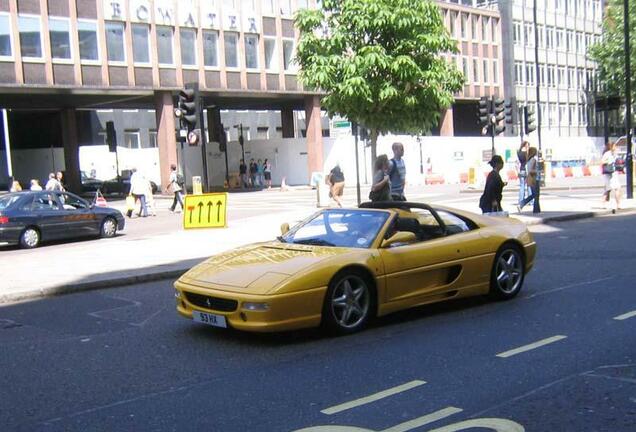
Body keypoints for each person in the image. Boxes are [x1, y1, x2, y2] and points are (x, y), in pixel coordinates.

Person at [601, 141, 622, 213]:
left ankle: (618, 204)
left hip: (614, 173)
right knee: (607, 189)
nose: (615, 147)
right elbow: (602, 162)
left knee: (617, 188)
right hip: (608, 174)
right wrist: (608, 161)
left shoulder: (615, 154)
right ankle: (603, 204)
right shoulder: (607, 154)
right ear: (611, 147)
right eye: (614, 146)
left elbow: (617, 161)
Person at [518, 147, 539, 213]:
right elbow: (532, 170)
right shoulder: (533, 160)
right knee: (535, 194)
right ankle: (523, 204)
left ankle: (537, 209)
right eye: (535, 151)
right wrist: (538, 171)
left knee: (535, 194)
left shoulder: (528, 160)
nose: (536, 153)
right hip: (534, 178)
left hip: (530, 178)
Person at [517, 141, 530, 207]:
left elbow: (517, 162)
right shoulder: (527, 153)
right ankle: (530, 201)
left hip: (521, 170)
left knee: (522, 186)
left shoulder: (518, 152)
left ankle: (520, 200)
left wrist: (517, 172)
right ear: (525, 146)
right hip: (527, 170)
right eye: (528, 146)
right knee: (529, 186)